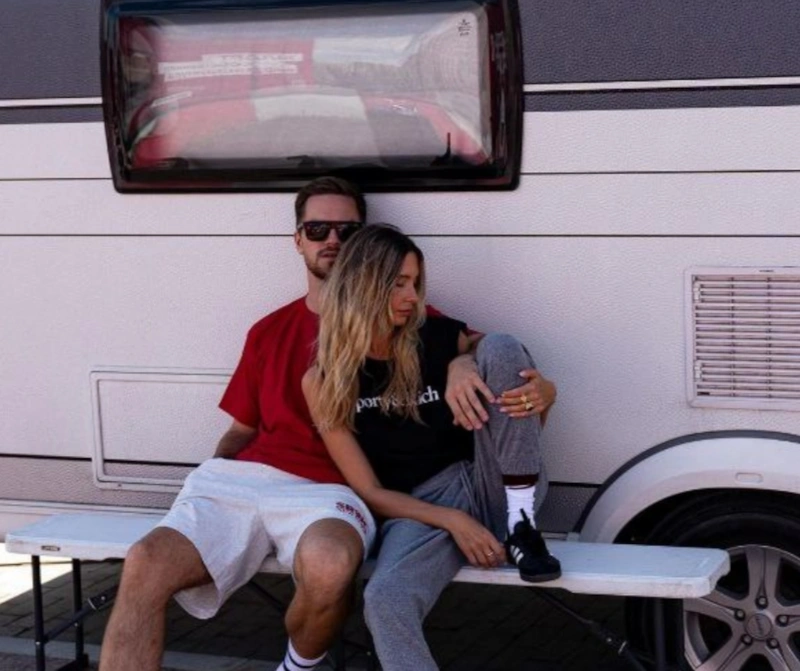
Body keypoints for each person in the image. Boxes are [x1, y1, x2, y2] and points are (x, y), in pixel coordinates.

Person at [98, 177, 556, 671]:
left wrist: (478, 367)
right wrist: (213, 480)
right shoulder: (290, 349)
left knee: (331, 564)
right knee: (148, 561)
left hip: (377, 491)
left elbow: (493, 354)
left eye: (347, 231)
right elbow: (243, 431)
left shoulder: (416, 322)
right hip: (317, 492)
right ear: (299, 239)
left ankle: (520, 524)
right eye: (318, 229)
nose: (332, 240)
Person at [303, 224, 560, 671]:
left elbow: (503, 361)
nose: (412, 297)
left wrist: (467, 364)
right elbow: (370, 492)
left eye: (415, 283)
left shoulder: (436, 338)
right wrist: (453, 520)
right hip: (420, 512)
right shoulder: (324, 380)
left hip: (490, 483)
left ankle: (522, 524)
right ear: (363, 283)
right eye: (399, 283)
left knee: (500, 344)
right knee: (385, 599)